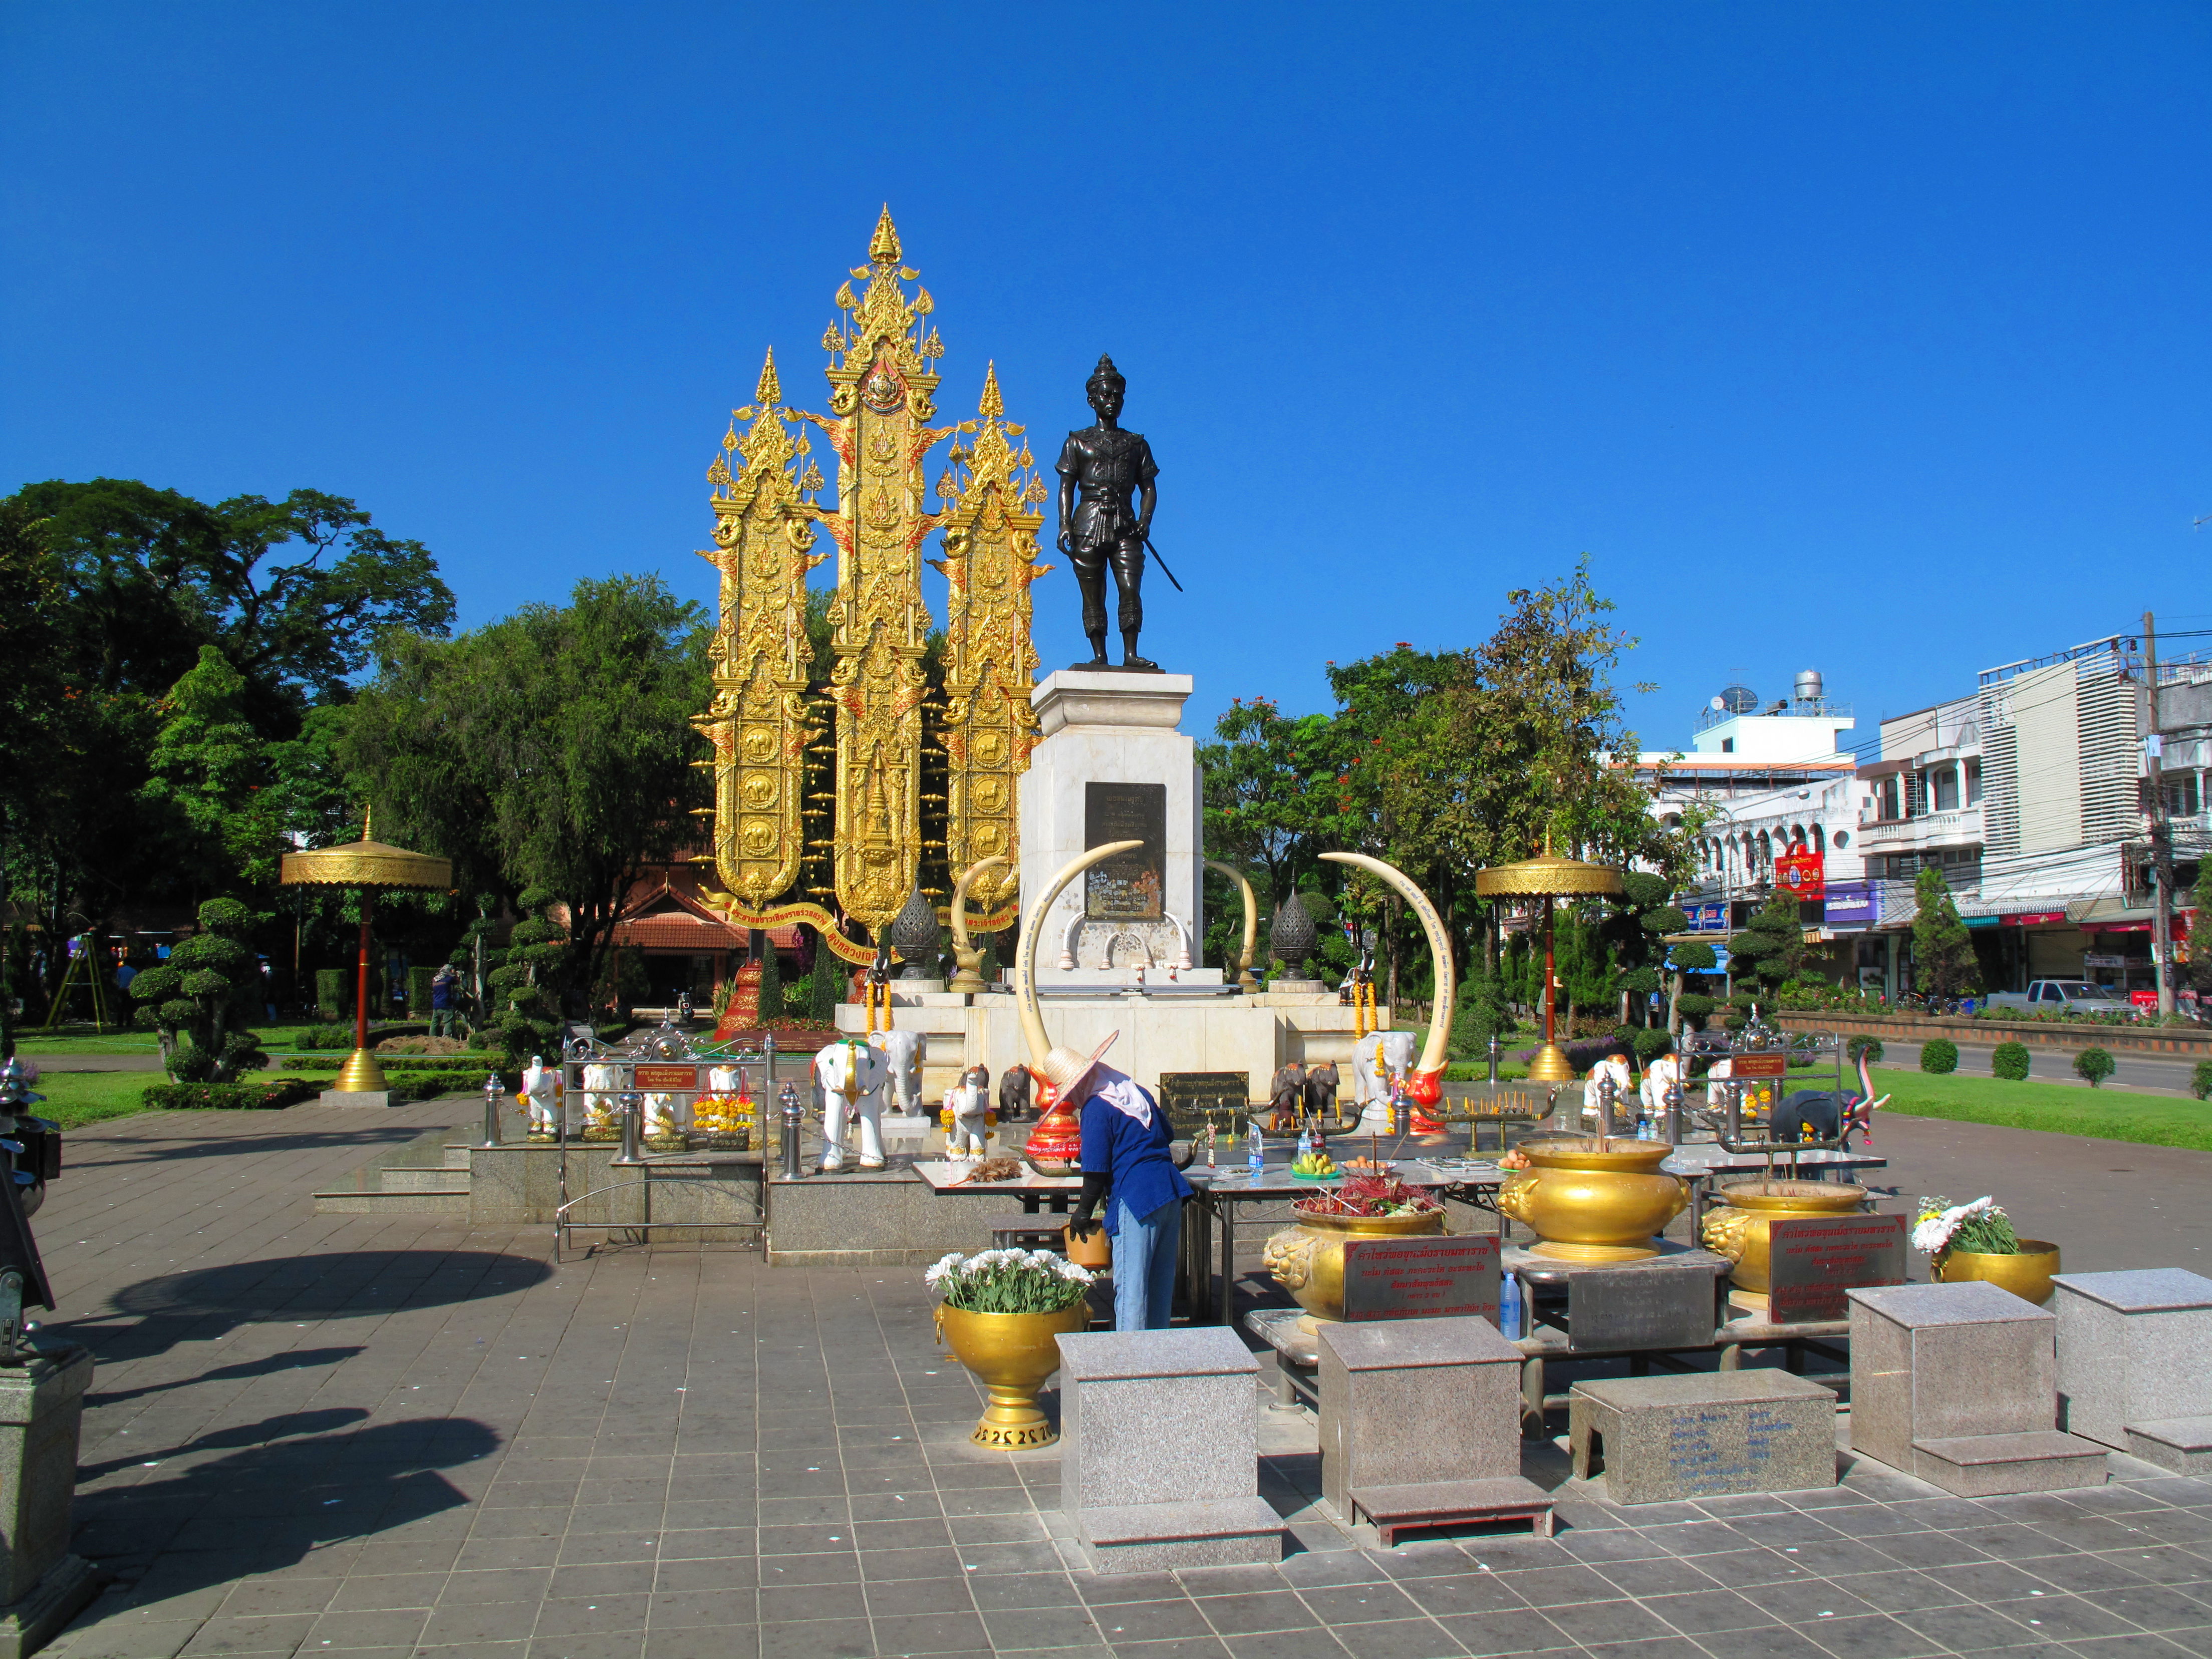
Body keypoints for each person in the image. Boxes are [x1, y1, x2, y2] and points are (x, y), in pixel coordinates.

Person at [1060, 1034, 1192, 1331]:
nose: (1070, 1100)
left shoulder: (1096, 1107)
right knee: (1159, 1288)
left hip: (1137, 1197)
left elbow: (1096, 1171)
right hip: (1169, 1190)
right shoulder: (1136, 1091)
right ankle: (1155, 1363)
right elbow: (1165, 1135)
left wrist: (1082, 1213)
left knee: (1132, 1290)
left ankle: (1130, 1369)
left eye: (1069, 1093)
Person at [1582, 1041, 1634, 1127]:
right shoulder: (1600, 1070)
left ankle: (1623, 1112)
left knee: (1622, 1102)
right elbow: (1600, 1094)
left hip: (1614, 1088)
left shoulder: (1622, 1075)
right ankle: (1598, 1111)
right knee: (1590, 1103)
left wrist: (1625, 1109)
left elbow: (1624, 1090)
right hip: (1593, 1085)